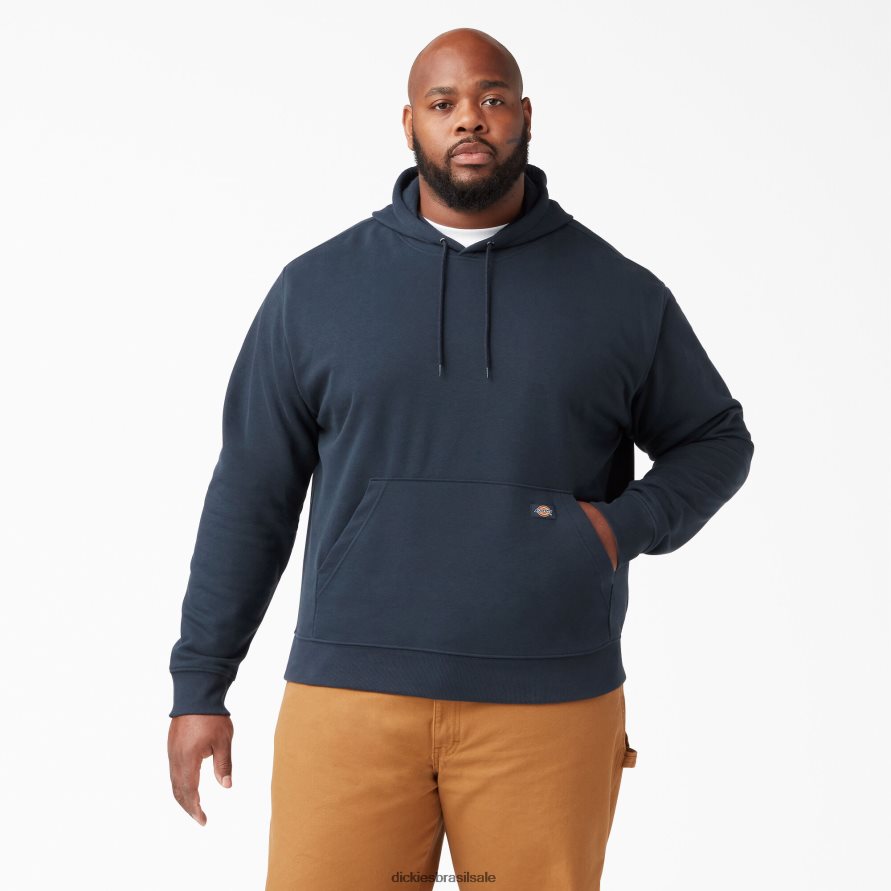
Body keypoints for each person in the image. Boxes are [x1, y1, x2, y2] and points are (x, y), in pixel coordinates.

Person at [167, 27, 754, 890]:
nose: (468, 120)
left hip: (551, 700)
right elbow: (251, 492)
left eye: (491, 99)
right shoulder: (315, 289)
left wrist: (618, 528)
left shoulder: (618, 293)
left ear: (525, 116)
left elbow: (715, 437)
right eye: (442, 103)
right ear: (409, 123)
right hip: (349, 697)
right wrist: (200, 683)